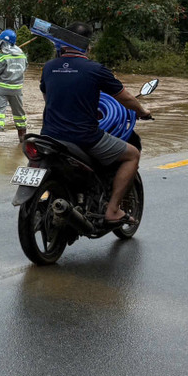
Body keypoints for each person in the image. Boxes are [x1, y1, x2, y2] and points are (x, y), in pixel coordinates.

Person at [39, 22, 152, 224]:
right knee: (132, 155)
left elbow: (49, 99)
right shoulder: (95, 69)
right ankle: (112, 210)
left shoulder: (48, 68)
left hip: (49, 136)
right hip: (84, 138)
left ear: (62, 45)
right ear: (87, 46)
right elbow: (125, 98)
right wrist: (142, 111)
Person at [0, 29, 28, 146]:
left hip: (1, 88)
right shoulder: (22, 55)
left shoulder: (1, 56)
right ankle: (22, 136)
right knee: (19, 112)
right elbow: (24, 69)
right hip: (16, 89)